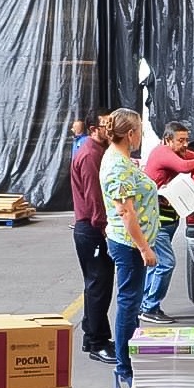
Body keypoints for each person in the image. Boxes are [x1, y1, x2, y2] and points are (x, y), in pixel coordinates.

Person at [100, 108, 159, 388]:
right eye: (141, 131)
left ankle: (130, 360)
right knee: (129, 303)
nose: (141, 136)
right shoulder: (118, 166)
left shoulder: (121, 159)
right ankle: (125, 366)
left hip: (128, 242)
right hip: (128, 244)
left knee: (132, 302)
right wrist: (144, 248)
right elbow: (126, 212)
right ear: (131, 134)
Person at [139, 121, 194, 324]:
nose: (185, 144)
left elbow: (192, 156)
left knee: (155, 265)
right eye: (180, 140)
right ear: (167, 140)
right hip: (156, 221)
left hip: (168, 219)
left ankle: (145, 304)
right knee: (166, 264)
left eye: (186, 140)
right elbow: (184, 166)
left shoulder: (178, 151)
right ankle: (150, 307)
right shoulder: (162, 152)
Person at [71, 112, 116, 365]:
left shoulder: (99, 150)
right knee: (98, 287)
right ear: (92, 129)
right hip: (92, 229)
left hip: (92, 228)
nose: (111, 130)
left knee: (96, 286)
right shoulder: (90, 155)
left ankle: (95, 336)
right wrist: (106, 231)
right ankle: (97, 344)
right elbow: (95, 198)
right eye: (106, 126)